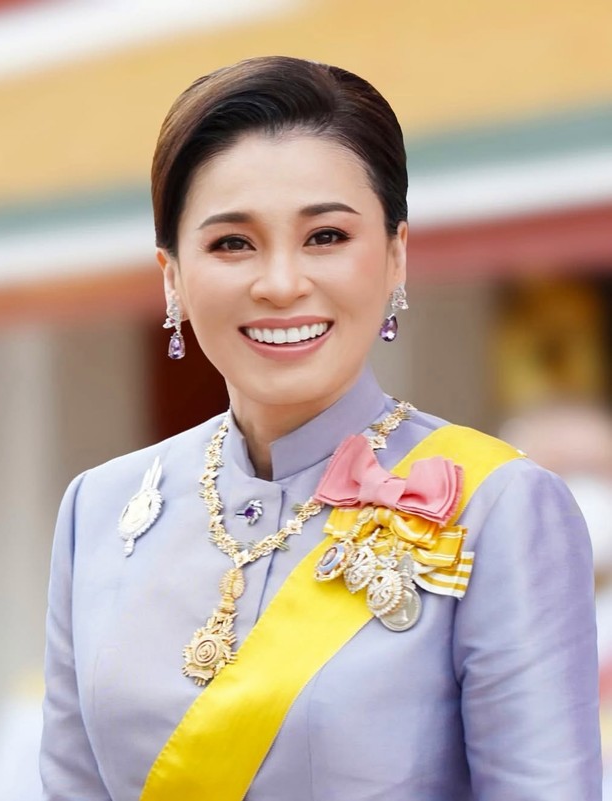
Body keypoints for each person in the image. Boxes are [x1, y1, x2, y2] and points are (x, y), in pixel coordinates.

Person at [40, 56, 601, 801]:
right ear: (172, 275)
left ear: (396, 255)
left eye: (326, 236)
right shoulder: (99, 509)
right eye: (232, 243)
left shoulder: (498, 508)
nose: (280, 284)